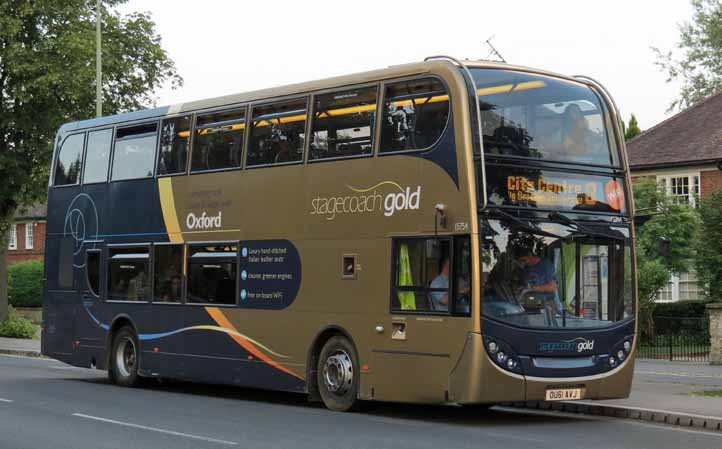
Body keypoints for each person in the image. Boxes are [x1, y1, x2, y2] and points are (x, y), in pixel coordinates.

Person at [516, 249, 563, 315]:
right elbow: (524, 285)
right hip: (527, 305)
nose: (523, 263)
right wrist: (521, 288)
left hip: (545, 306)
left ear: (530, 255)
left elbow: (552, 287)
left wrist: (531, 288)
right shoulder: (525, 269)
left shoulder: (546, 266)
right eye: (520, 261)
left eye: (524, 260)